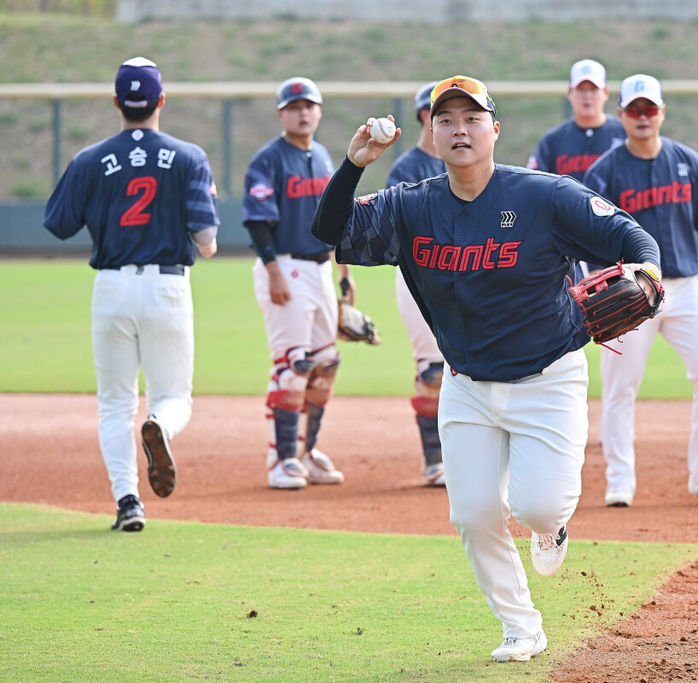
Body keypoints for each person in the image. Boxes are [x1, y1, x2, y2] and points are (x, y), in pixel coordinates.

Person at [310, 75, 661, 663]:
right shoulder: (413, 205)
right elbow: (330, 231)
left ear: (495, 129)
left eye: (472, 118)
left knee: (537, 507)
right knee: (472, 515)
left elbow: (630, 235)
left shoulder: (545, 196)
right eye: (446, 120)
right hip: (466, 384)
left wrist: (647, 276)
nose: (459, 129)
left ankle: (552, 526)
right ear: (431, 132)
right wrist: (353, 165)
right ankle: (521, 627)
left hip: (547, 376)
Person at [43, 57, 219, 531]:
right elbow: (206, 243)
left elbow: (58, 224)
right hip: (165, 285)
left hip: (112, 287)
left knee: (115, 404)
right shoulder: (188, 157)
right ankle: (159, 426)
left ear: (117, 102)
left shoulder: (89, 159)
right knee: (174, 397)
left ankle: (127, 504)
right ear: (161, 100)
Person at [582, 74, 698, 508]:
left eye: (650, 109)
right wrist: (597, 287)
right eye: (634, 110)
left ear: (662, 113)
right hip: (629, 292)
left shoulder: (687, 160)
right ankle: (620, 480)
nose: (643, 117)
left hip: (686, 286)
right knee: (621, 387)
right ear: (621, 117)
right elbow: (586, 234)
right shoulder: (605, 171)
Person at [242, 76, 347, 490]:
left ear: (319, 111)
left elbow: (335, 221)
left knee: (325, 363)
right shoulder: (268, 159)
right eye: (294, 106)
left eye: (309, 105)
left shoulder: (321, 155)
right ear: (282, 114)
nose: (303, 112)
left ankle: (306, 450)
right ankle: (280, 457)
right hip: (284, 265)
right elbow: (256, 221)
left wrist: (343, 275)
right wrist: (272, 272)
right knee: (292, 366)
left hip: (321, 268)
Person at [385, 81, 448, 487]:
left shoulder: (466, 160)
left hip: (466, 274)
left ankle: (467, 454)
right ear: (425, 116)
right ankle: (434, 460)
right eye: (436, 112)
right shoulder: (406, 169)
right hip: (419, 278)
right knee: (433, 370)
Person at [527, 58, 625, 182]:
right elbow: (535, 183)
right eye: (581, 89)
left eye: (593, 89)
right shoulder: (553, 140)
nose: (587, 95)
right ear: (570, 92)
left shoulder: (624, 134)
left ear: (605, 92)